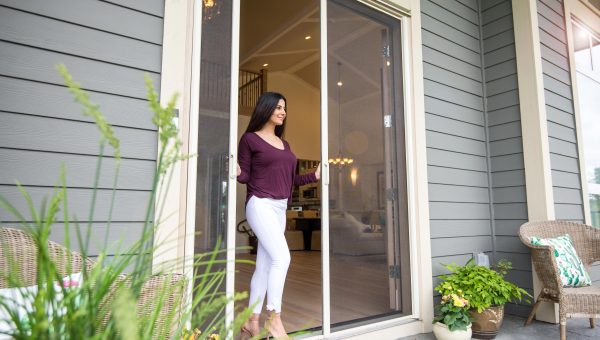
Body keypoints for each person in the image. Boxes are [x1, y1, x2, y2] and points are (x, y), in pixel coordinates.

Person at [237, 92, 320, 339]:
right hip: (260, 203)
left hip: (280, 207)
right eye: (278, 107)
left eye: (285, 108)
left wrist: (313, 177)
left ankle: (252, 322)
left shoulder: (285, 145)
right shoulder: (250, 139)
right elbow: (245, 176)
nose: (283, 112)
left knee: (264, 266)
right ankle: (274, 319)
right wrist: (234, 170)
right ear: (266, 109)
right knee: (282, 257)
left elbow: (290, 179)